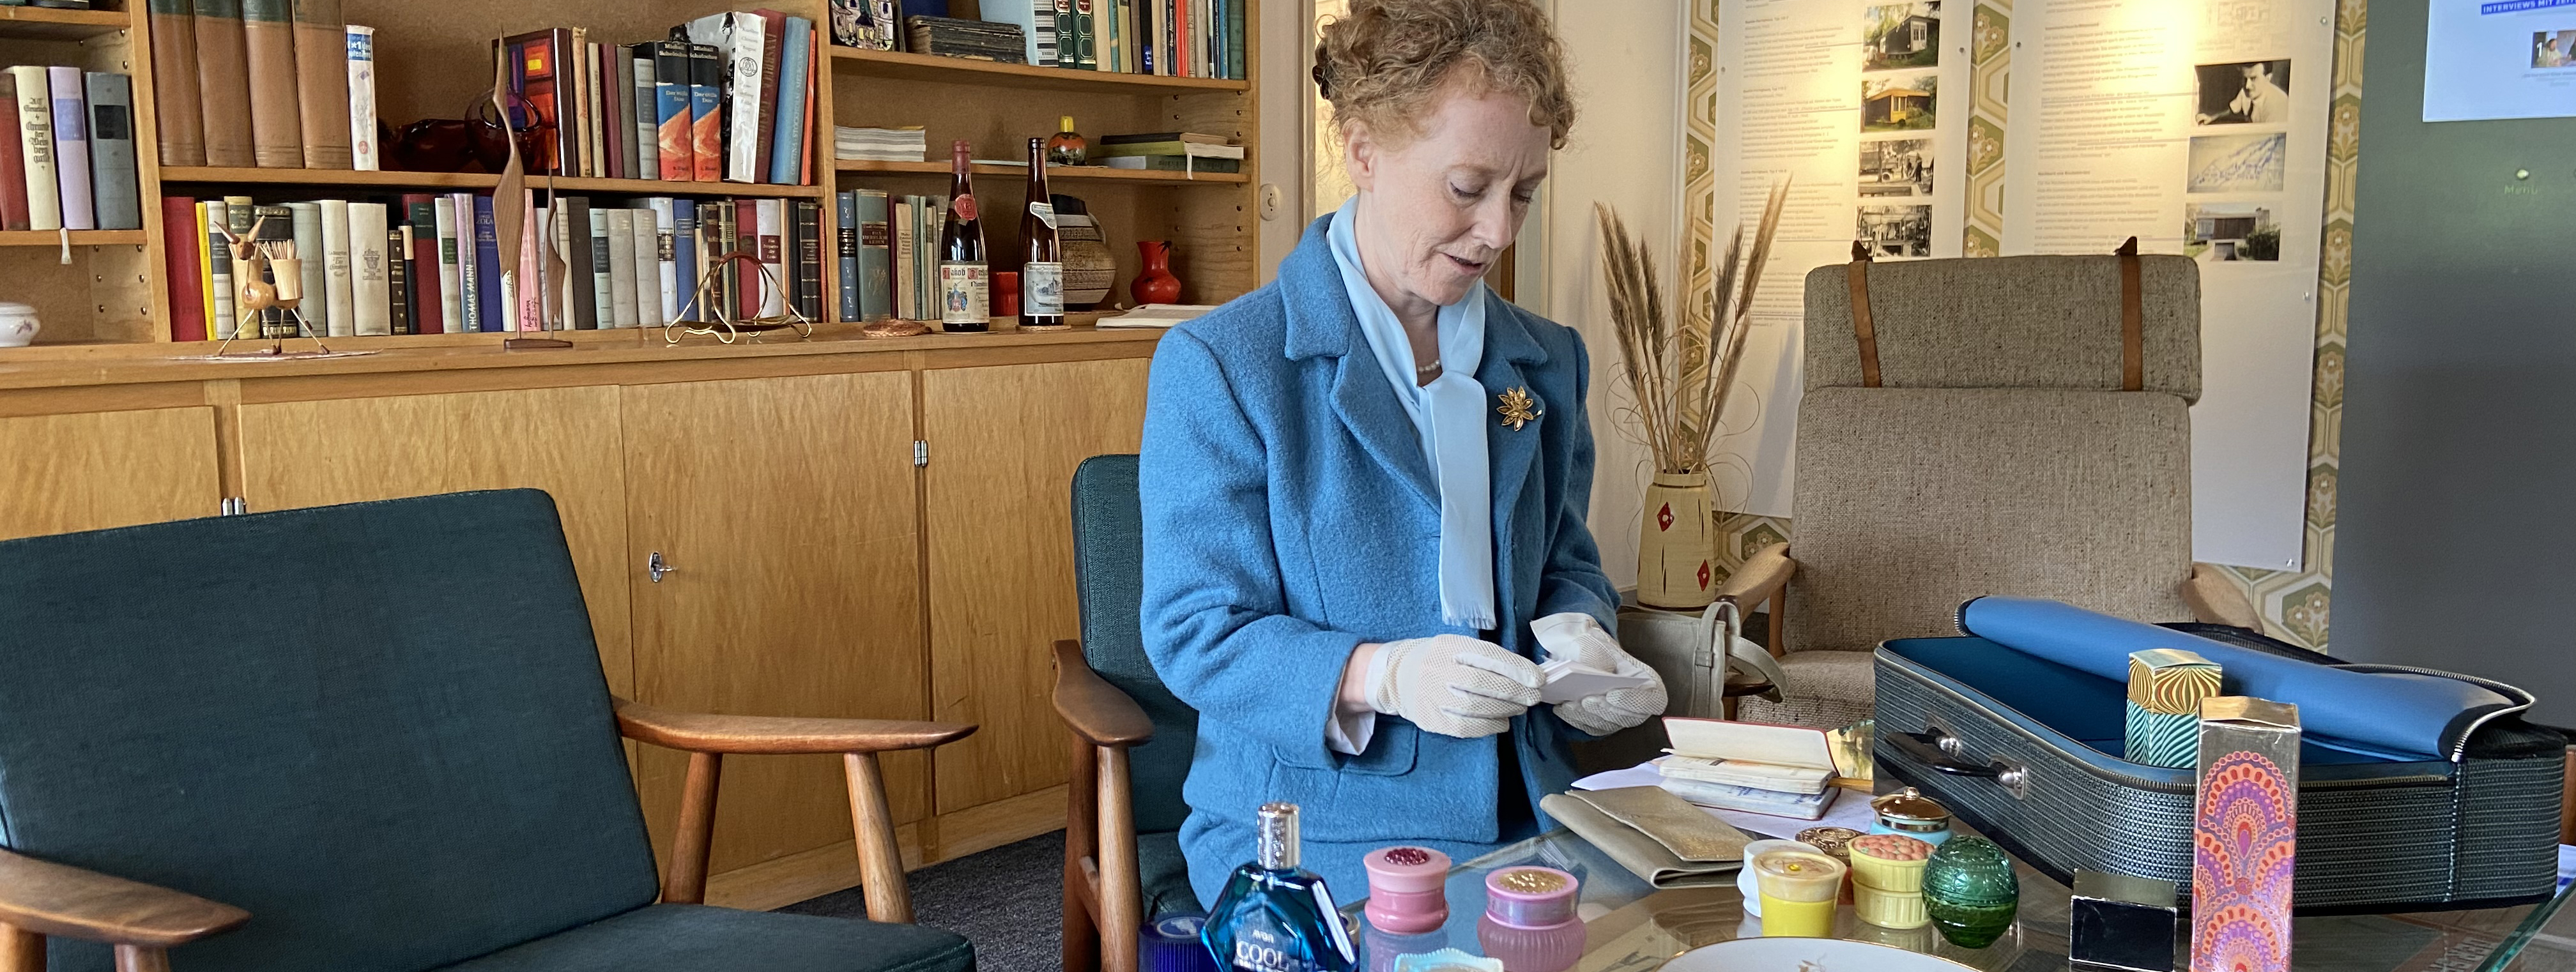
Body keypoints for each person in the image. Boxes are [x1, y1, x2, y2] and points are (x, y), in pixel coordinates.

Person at [1137, 0, 1669, 907]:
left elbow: (1566, 565)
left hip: (1533, 811)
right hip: (1316, 827)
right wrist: (1379, 675)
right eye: (1468, 187)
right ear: (1362, 150)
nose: (1502, 231)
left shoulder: (1550, 361)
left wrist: (1585, 637)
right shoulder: (1224, 366)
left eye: (1526, 191)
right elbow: (1197, 630)